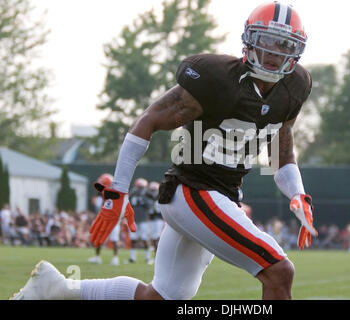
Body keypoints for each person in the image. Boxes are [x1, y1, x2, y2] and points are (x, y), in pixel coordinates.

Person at [11, 2, 317, 300]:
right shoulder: (216, 78)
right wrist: (118, 191)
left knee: (162, 296)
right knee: (279, 271)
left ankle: (57, 289)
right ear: (250, 40)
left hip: (221, 196)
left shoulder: (295, 87)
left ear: (297, 51)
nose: (276, 52)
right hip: (194, 192)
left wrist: (297, 194)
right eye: (269, 41)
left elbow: (282, 149)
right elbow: (148, 121)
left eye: (285, 45)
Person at [87, 173, 121, 266]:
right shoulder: (101, 195)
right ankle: (98, 257)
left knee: (114, 239)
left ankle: (115, 258)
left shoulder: (112, 195)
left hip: (111, 220)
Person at [126, 178, 153, 264]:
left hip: (143, 220)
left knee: (144, 239)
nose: (139, 189)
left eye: (141, 187)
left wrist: (143, 197)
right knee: (133, 239)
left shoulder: (147, 196)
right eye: (138, 187)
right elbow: (127, 204)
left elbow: (149, 206)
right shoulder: (132, 195)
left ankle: (147, 258)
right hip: (134, 220)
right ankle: (132, 258)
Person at [146, 181, 165, 264]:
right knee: (153, 238)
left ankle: (158, 257)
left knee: (157, 238)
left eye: (154, 190)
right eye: (152, 190)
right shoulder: (148, 199)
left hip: (159, 219)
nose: (153, 192)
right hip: (152, 219)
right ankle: (156, 257)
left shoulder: (161, 198)